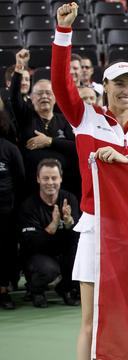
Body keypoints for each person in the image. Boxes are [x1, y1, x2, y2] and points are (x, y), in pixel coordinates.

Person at [51, 3, 128, 358]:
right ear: (105, 86)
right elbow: (60, 83)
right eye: (119, 84)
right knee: (92, 317)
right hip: (96, 225)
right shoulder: (86, 118)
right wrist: (63, 32)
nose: (127, 91)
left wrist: (124, 159)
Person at [10, 49, 80, 199]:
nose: (44, 97)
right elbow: (15, 98)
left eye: (48, 93)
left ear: (55, 98)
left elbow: (76, 147)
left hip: (64, 187)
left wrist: (50, 141)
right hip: (31, 188)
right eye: (39, 94)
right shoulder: (26, 117)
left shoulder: (64, 120)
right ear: (31, 98)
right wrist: (19, 67)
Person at [20, 158, 80, 308]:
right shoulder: (28, 206)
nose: (50, 182)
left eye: (54, 178)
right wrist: (53, 225)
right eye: (45, 178)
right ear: (38, 179)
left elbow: (77, 237)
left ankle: (65, 289)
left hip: (63, 252)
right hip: (38, 255)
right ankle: (35, 290)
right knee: (49, 269)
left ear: (61, 178)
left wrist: (68, 223)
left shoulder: (70, 199)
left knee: (82, 258)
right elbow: (31, 244)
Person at [0, 104, 24, 310]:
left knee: (5, 252)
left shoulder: (9, 149)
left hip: (5, 213)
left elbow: (20, 179)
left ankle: (3, 290)